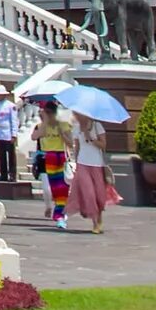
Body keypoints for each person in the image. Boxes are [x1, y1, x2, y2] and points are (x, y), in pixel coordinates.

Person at [70, 110, 118, 233]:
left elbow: (103, 145)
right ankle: (95, 223)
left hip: (97, 164)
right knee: (89, 194)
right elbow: (77, 147)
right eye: (75, 114)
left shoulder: (97, 126)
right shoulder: (76, 128)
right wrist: (75, 163)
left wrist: (90, 138)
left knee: (99, 195)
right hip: (82, 164)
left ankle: (99, 218)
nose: (76, 116)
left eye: (78, 114)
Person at [36, 96, 71, 228]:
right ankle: (59, 213)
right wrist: (44, 124)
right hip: (49, 158)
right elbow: (34, 137)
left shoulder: (63, 124)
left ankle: (60, 215)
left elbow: (71, 143)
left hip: (61, 156)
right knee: (54, 189)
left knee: (62, 187)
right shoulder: (42, 126)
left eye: (49, 113)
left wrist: (63, 134)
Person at [0, 85, 21, 183]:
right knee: (2, 156)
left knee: (11, 156)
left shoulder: (11, 106)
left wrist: (14, 134)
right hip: (0, 133)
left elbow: (14, 120)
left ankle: (12, 175)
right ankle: (4, 175)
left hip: (8, 133)